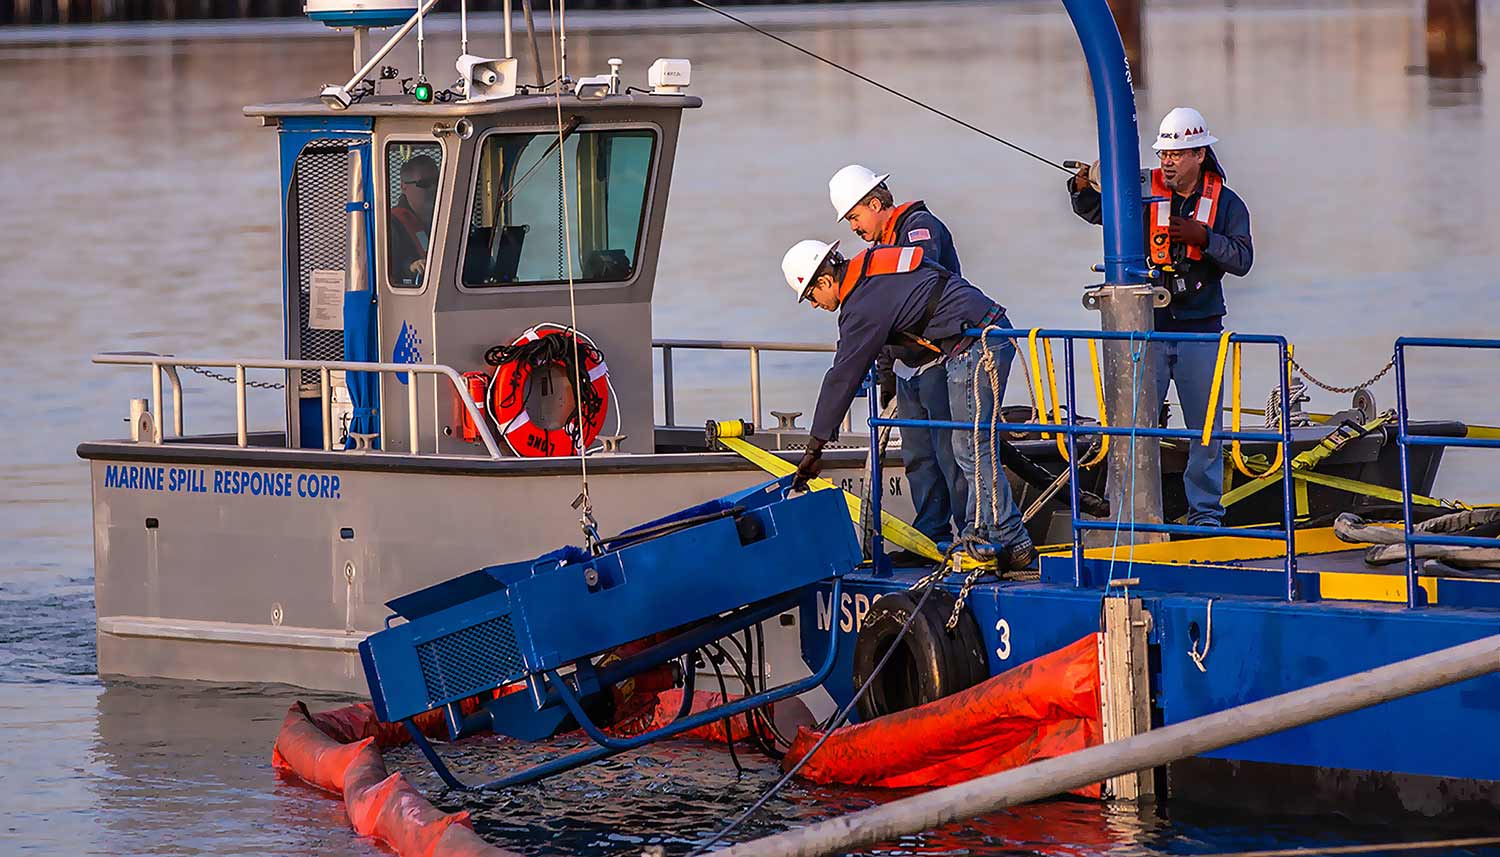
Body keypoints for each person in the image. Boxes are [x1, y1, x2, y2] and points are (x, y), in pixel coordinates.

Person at [779, 238, 1034, 569]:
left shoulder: (861, 306)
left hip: (978, 343)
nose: (814, 305)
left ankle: (1008, 537)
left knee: (971, 447)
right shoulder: (874, 267)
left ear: (825, 281)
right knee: (969, 445)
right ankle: (985, 533)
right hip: (975, 336)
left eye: (811, 296)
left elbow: (842, 376)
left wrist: (814, 449)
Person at [1067, 107, 1253, 527]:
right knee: (1131, 423)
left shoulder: (1226, 203)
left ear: (1199, 154)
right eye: (1164, 153)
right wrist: (1082, 189)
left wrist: (1203, 238)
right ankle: (1124, 509)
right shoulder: (1143, 190)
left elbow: (1243, 258)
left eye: (1177, 154)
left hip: (1200, 331)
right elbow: (1098, 211)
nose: (1167, 162)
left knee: (1204, 431)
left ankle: (1204, 514)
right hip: (1146, 328)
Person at [829, 165, 967, 556]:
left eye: (855, 217)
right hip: (909, 366)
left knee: (950, 452)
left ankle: (969, 537)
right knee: (919, 457)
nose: (854, 228)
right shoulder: (881, 249)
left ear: (876, 203)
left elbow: (913, 281)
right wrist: (886, 372)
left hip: (941, 357)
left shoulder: (919, 227)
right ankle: (930, 539)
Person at [389, 154, 439, 285]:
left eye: (437, 182)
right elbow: (386, 271)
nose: (433, 189)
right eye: (425, 183)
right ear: (403, 186)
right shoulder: (390, 225)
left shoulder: (446, 219)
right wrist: (411, 268)